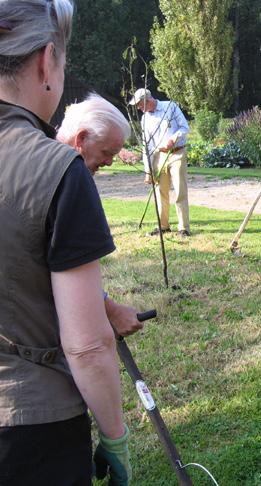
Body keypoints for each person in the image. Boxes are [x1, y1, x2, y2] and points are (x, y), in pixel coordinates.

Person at [0, 1, 131, 484]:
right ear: (46, 62)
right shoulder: (58, 170)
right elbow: (88, 347)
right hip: (30, 427)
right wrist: (115, 436)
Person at [57, 93, 144, 336]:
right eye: (106, 152)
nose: (109, 163)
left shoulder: (38, 159)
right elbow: (69, 271)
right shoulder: (69, 180)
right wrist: (111, 310)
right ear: (81, 138)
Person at [129, 87, 191, 237]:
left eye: (139, 104)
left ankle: (183, 228)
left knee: (179, 190)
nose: (138, 108)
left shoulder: (170, 106)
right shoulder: (145, 118)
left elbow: (184, 127)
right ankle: (163, 226)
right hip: (159, 156)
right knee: (160, 191)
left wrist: (173, 139)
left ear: (147, 100)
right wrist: (148, 170)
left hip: (177, 153)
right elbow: (147, 144)